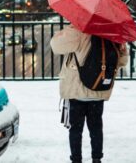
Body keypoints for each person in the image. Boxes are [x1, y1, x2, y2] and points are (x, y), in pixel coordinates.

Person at [50, 25, 129, 163]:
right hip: (98, 90)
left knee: (75, 130)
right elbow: (122, 61)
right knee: (96, 128)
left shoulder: (78, 30)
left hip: (76, 90)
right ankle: (97, 159)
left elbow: (55, 46)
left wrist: (67, 29)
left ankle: (76, 159)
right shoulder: (111, 31)